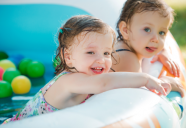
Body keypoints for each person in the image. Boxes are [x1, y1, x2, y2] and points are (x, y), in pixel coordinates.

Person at [2, 15, 171, 124]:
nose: (101, 59)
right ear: (68, 56)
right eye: (90, 52)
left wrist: (161, 54)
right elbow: (104, 83)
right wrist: (146, 79)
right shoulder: (68, 81)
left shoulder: (89, 75)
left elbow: (118, 76)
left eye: (106, 53)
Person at [111, 0, 184, 97]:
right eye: (147, 29)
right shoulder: (128, 59)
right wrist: (165, 82)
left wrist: (163, 51)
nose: (156, 39)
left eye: (161, 33)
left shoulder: (125, 44)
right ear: (125, 30)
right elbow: (137, 97)